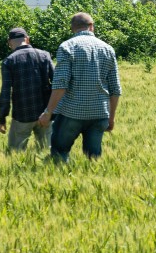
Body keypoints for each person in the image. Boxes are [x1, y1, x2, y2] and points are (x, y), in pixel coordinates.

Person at [38, 13, 121, 161]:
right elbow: (115, 89)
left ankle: (61, 181)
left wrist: (48, 112)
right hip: (99, 112)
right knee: (93, 158)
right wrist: (111, 118)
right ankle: (95, 181)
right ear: (92, 27)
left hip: (72, 113)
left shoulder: (67, 47)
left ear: (73, 28)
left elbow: (60, 84)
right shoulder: (108, 49)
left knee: (59, 151)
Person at [0, 27, 54, 151]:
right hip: (45, 114)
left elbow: (5, 93)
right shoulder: (44, 55)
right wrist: (52, 112)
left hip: (22, 116)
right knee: (47, 152)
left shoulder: (9, 61)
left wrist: (2, 118)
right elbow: (57, 85)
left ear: (9, 42)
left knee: (15, 154)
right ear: (27, 39)